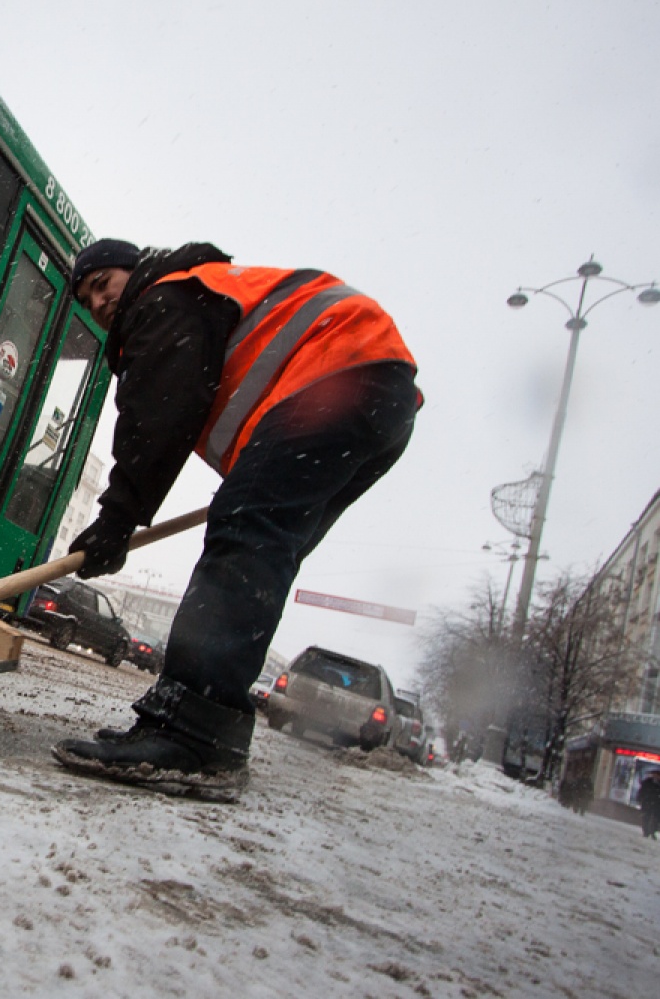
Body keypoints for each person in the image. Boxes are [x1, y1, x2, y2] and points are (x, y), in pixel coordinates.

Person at [51, 239, 419, 799]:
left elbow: (159, 416)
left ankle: (192, 735)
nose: (99, 303)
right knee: (261, 549)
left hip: (339, 369)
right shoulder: (197, 291)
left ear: (134, 269)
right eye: (87, 299)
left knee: (245, 538)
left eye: (104, 284)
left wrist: (116, 519)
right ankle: (202, 731)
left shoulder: (164, 294)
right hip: (376, 392)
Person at [638, 770, 660, 840]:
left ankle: (653, 831)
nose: (656, 776)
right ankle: (646, 832)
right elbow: (641, 791)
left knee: (656, 819)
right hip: (647, 802)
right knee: (646, 817)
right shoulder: (647, 782)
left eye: (658, 775)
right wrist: (640, 799)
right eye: (655, 775)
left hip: (657, 804)